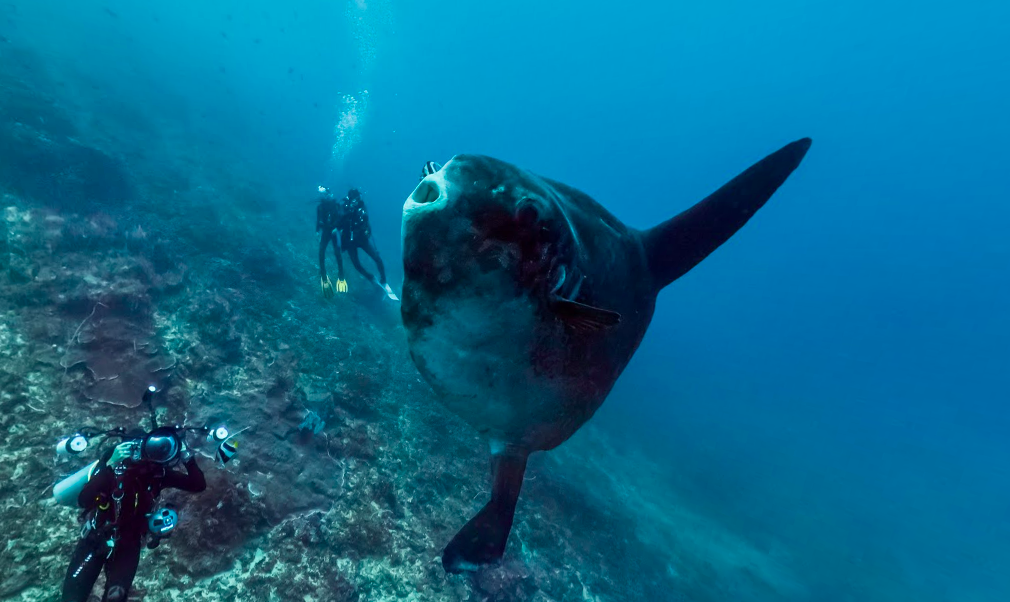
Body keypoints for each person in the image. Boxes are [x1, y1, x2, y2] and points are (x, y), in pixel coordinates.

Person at [61, 432, 206, 602]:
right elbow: (84, 500)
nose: (143, 457)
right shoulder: (114, 470)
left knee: (116, 597)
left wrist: (188, 458)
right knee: (72, 598)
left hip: (128, 545)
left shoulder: (158, 475)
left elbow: (197, 485)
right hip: (95, 538)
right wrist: (108, 465)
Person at [318, 186, 398, 301]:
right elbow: (338, 221)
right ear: (350, 198)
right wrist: (339, 223)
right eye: (354, 199)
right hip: (350, 242)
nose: (356, 201)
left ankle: (384, 281)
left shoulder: (362, 206)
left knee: (377, 258)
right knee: (356, 265)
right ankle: (371, 278)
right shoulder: (344, 206)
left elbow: (367, 222)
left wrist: (367, 231)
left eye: (357, 199)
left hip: (362, 239)